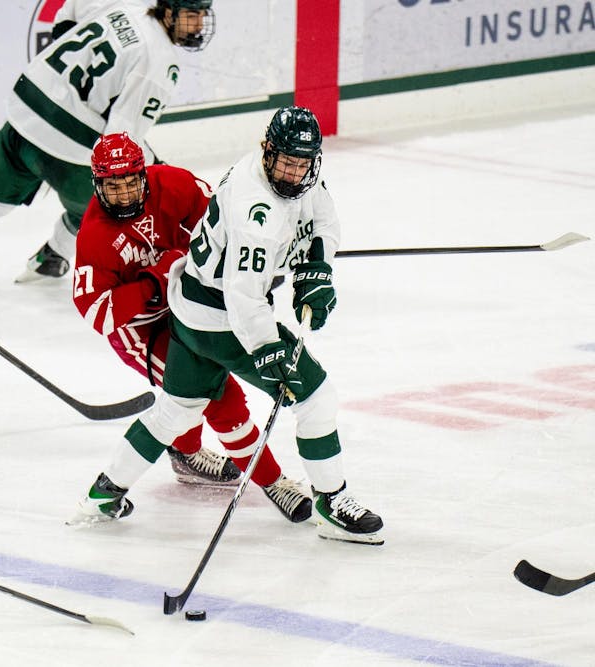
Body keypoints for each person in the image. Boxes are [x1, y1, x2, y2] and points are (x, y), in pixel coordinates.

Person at [73, 108, 384, 545]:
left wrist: (316, 264)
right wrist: (265, 347)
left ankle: (104, 494)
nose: (293, 173)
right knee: (315, 397)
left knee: (177, 410)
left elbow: (321, 219)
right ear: (267, 151)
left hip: (188, 309)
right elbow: (243, 294)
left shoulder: (288, 172)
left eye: (302, 163)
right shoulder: (255, 208)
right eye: (286, 163)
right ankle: (332, 504)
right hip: (224, 319)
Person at [71, 133, 312, 522]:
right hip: (145, 330)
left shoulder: (173, 183)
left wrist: (254, 264)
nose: (125, 194)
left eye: (132, 182)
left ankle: (183, 455)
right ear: (98, 185)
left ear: (144, 175)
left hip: (197, 304)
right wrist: (154, 281)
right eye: (113, 187)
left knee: (185, 401)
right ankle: (272, 482)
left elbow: (222, 224)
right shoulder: (95, 235)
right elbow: (98, 312)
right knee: (219, 398)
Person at [0, 0, 217, 285]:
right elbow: (120, 140)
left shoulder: (126, 6)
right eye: (192, 15)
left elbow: (69, 11)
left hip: (27, 105)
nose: (199, 25)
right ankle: (52, 257)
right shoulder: (160, 64)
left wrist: (65, 86)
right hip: (71, 145)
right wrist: (155, 169)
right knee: (99, 207)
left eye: (202, 15)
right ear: (168, 11)